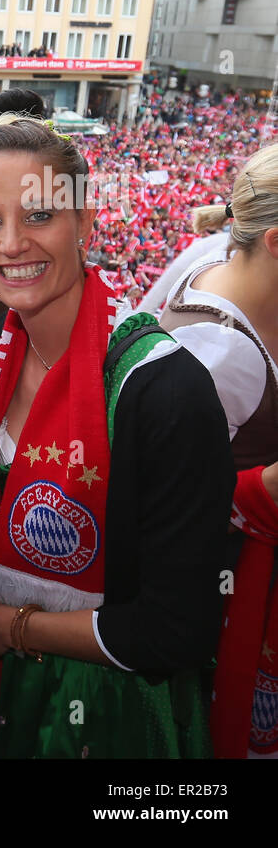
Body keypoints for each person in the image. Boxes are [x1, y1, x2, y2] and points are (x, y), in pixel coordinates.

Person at [0, 114, 234, 758]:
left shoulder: (165, 388)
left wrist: (13, 626)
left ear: (84, 223)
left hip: (118, 718)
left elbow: (178, 631)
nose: (12, 244)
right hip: (5, 697)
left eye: (39, 216)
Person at [156, 143, 278, 757]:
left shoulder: (210, 254)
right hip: (222, 612)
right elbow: (160, 509)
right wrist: (264, 490)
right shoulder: (220, 353)